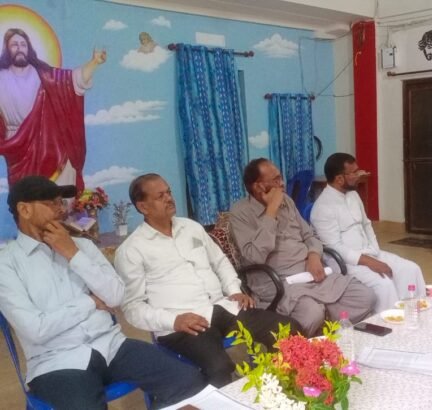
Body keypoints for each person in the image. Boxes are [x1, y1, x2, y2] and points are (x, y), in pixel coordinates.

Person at [0, 176, 206, 410]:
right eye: (52, 204)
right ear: (25, 210)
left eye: (61, 202)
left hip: (111, 345)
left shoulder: (83, 246)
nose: (61, 210)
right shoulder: (6, 264)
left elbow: (116, 296)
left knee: (189, 381)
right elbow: (35, 329)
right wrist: (90, 302)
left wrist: (73, 254)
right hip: (56, 362)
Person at [114, 174, 301, 387]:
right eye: (160, 196)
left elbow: (219, 261)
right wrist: (173, 320)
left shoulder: (191, 227)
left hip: (221, 308)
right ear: (143, 207)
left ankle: (281, 390)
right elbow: (132, 307)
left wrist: (234, 289)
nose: (169, 198)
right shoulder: (132, 250)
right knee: (219, 368)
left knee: (288, 330)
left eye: (169, 192)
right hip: (183, 324)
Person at [230, 159, 376, 337]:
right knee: (312, 314)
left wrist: (313, 256)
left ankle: (327, 334)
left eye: (281, 177)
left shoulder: (287, 201)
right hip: (279, 281)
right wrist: (271, 211)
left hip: (309, 273)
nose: (282, 183)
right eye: (276, 180)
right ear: (258, 186)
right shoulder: (240, 213)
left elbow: (310, 235)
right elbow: (254, 257)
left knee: (365, 296)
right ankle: (308, 341)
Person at [311, 153, 426, 313]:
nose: (359, 175)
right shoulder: (322, 207)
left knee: (410, 269)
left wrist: (375, 250)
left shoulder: (353, 194)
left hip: (370, 252)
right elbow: (335, 247)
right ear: (339, 179)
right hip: (345, 263)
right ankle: (389, 323)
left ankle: (413, 315)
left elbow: (366, 224)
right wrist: (369, 262)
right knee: (384, 284)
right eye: (354, 172)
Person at [0, 28, 105, 190]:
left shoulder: (45, 75)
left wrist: (94, 62)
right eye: (14, 44)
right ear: (7, 48)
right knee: (26, 196)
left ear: (29, 48)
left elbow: (73, 81)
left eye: (23, 44)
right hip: (17, 145)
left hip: (49, 142)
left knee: (58, 192)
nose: (19, 48)